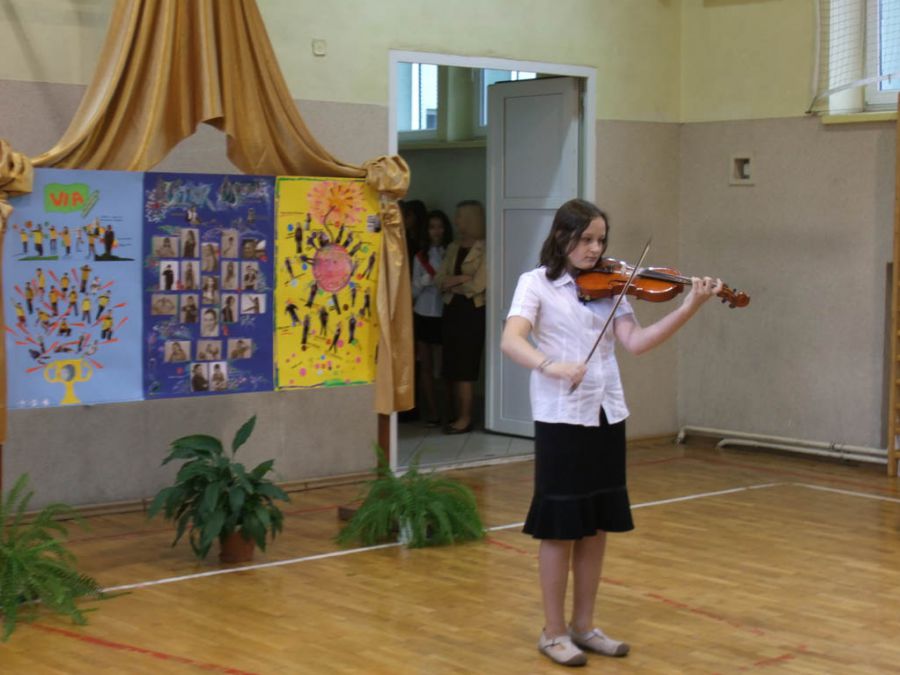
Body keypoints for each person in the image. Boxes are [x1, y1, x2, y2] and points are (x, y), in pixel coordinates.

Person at [499, 199, 722, 667]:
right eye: (586, 239)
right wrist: (551, 365)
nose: (595, 249)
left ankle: (584, 626)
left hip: (606, 413)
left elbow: (636, 343)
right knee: (561, 528)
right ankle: (553, 632)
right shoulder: (535, 284)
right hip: (562, 417)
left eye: (600, 240)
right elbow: (512, 339)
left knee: (596, 526)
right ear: (562, 236)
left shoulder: (610, 287)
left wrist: (691, 305)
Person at [435, 200, 487, 434]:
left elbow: (478, 285)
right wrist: (461, 279)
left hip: (472, 313)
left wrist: (453, 283)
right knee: (451, 366)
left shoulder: (485, 248)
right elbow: (439, 280)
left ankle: (465, 418)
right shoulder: (453, 247)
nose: (456, 221)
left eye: (460, 216)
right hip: (451, 311)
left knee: (465, 367)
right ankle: (453, 414)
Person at [412, 209, 453, 426]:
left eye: (440, 226)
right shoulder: (420, 257)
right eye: (431, 227)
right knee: (426, 367)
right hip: (423, 314)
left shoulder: (451, 252)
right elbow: (412, 291)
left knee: (444, 368)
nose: (436, 231)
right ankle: (433, 412)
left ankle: (448, 412)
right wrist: (423, 282)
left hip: (445, 315)